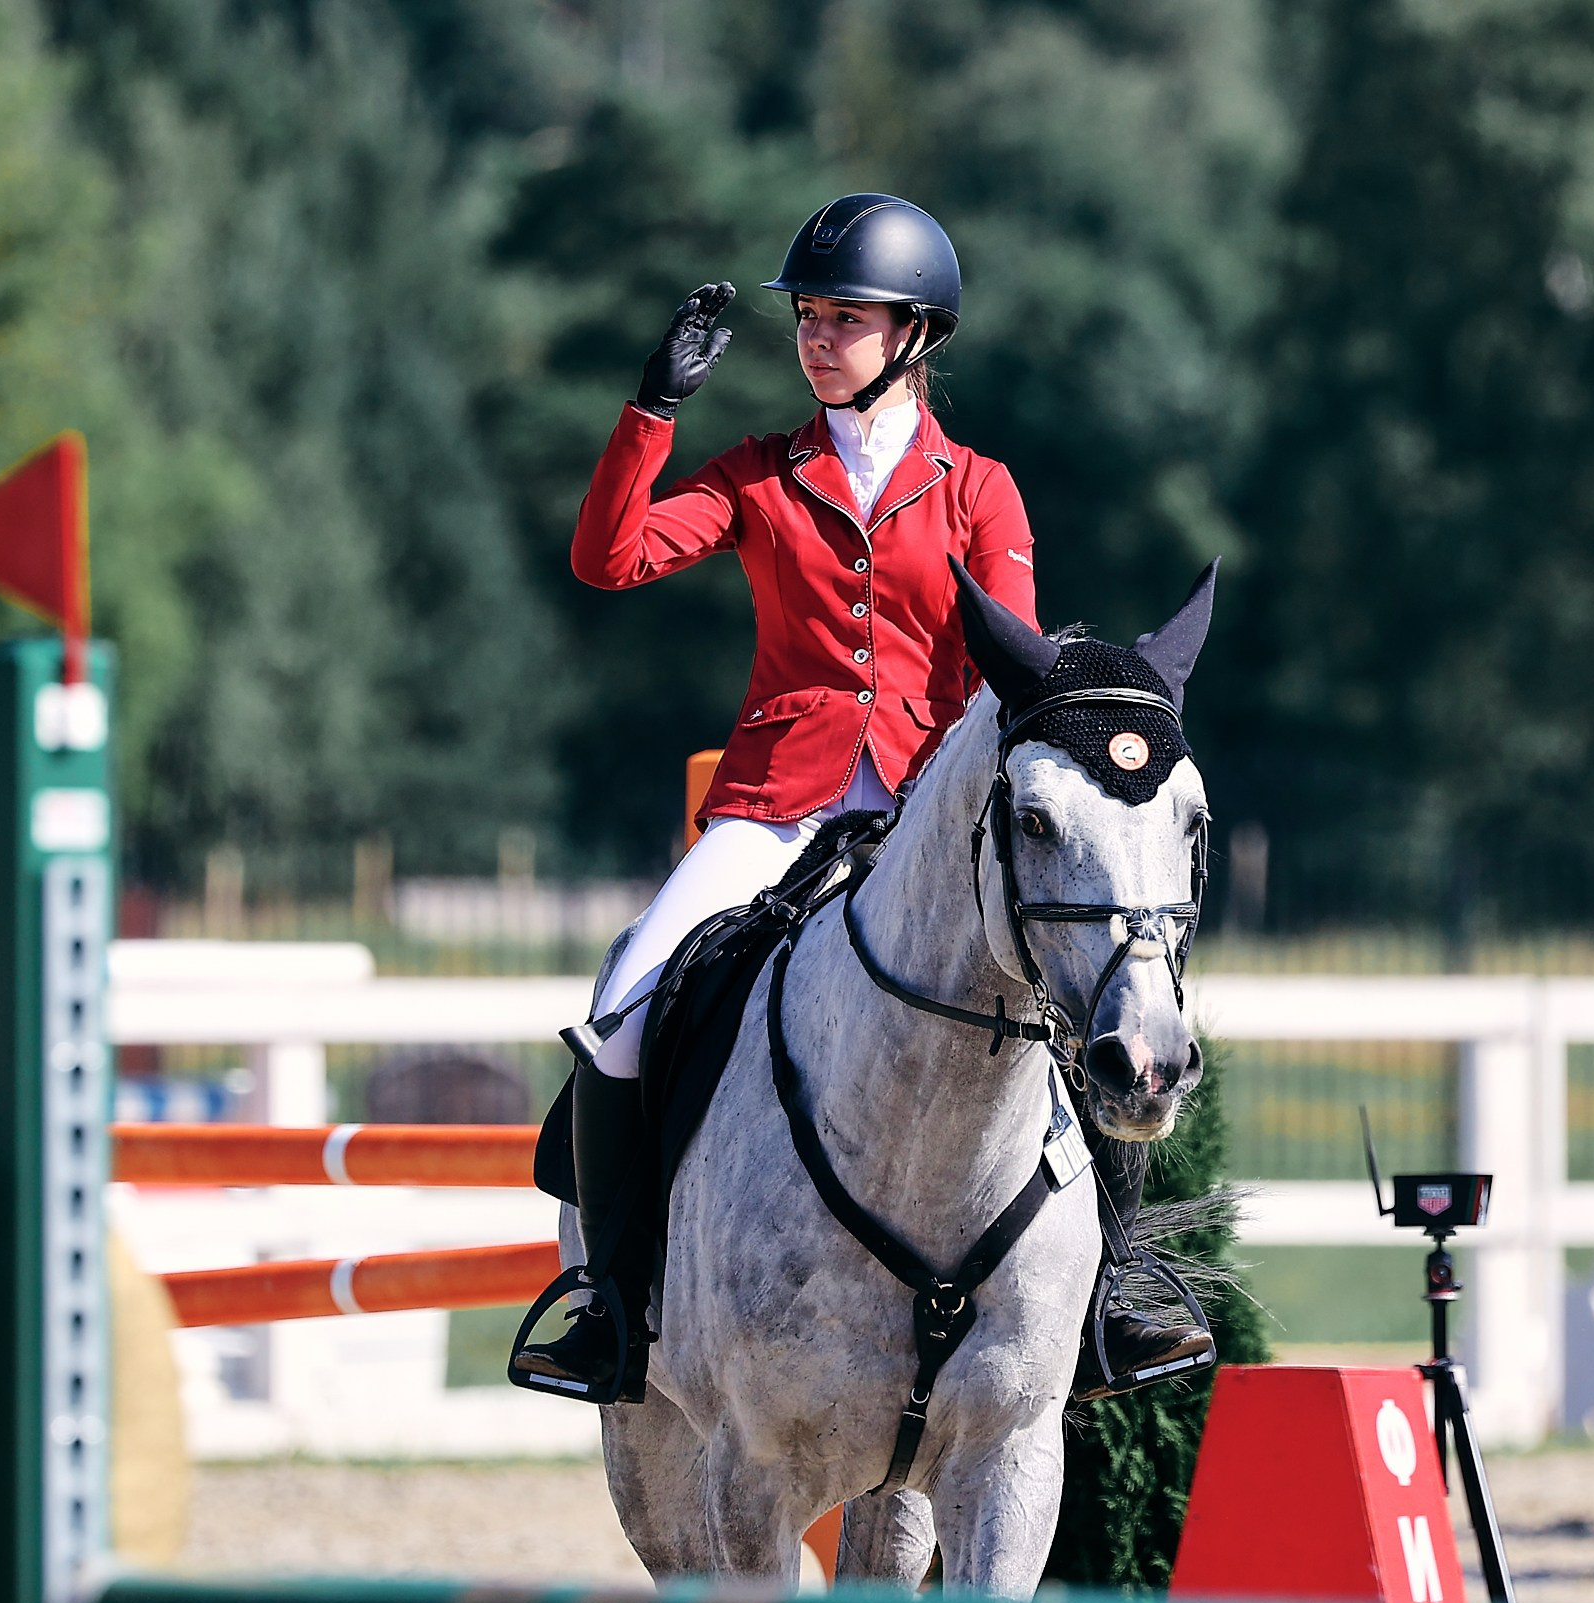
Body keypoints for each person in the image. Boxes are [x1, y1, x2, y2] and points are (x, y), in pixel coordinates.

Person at [511, 192, 1212, 1403]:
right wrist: (651, 411)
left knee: (1084, 1004)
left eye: (847, 319)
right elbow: (607, 557)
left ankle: (1104, 1299)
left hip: (930, 826)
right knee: (628, 993)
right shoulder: (759, 475)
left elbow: (1011, 653)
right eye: (810, 319)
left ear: (916, 336)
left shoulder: (979, 489)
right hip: (780, 805)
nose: (816, 339)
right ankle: (611, 1300)